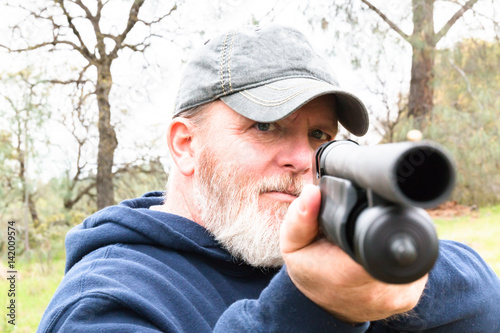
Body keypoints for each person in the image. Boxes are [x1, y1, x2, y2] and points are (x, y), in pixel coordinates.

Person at [37, 24, 499, 332]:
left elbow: (485, 304)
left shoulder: (304, 248)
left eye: (319, 135)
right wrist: (314, 307)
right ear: (185, 144)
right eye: (264, 126)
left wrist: (398, 275)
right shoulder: (107, 301)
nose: (303, 158)